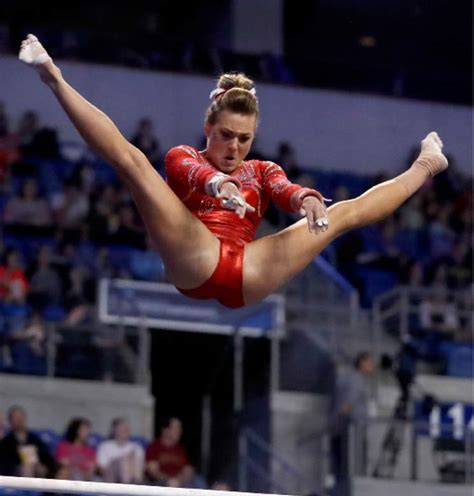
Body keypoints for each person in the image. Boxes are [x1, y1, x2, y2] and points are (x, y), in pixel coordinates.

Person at [19, 35, 448, 310]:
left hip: (249, 272)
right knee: (132, 164)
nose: (235, 147)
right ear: (209, 127)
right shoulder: (182, 155)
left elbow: (282, 189)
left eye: (245, 138)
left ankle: (428, 163)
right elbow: (190, 171)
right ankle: (54, 76)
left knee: (342, 216)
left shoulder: (261, 169)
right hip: (196, 258)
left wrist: (308, 200)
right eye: (226, 135)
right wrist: (219, 183)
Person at [328, 353, 375, 493]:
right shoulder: (356, 380)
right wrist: (342, 419)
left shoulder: (351, 378)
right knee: (347, 463)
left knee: (341, 463)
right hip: (350, 430)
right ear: (362, 363)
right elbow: (347, 404)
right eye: (369, 362)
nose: (372, 366)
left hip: (345, 428)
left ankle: (340, 483)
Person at [0, 405, 56, 477]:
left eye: (20, 417)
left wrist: (40, 464)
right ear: (11, 421)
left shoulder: (34, 439)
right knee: (27, 468)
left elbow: (46, 456)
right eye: (16, 418)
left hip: (36, 468)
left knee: (41, 468)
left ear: (24, 418)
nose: (19, 420)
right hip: (15, 471)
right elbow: (5, 463)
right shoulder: (6, 441)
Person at [145, 417, 202, 487]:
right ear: (165, 430)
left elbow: (188, 469)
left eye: (180, 428)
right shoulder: (154, 447)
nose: (179, 431)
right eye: (176, 428)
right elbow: (153, 471)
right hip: (161, 483)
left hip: (180, 483)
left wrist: (178, 480)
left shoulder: (180, 449)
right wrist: (169, 480)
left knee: (198, 482)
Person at [97, 418, 145, 483]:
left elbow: (141, 468)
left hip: (132, 476)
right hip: (111, 477)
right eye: (121, 428)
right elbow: (102, 469)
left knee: (132, 459)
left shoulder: (136, 447)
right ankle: (127, 487)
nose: (124, 430)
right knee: (125, 460)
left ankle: (136, 487)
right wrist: (120, 463)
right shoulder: (105, 446)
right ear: (114, 430)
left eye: (126, 428)